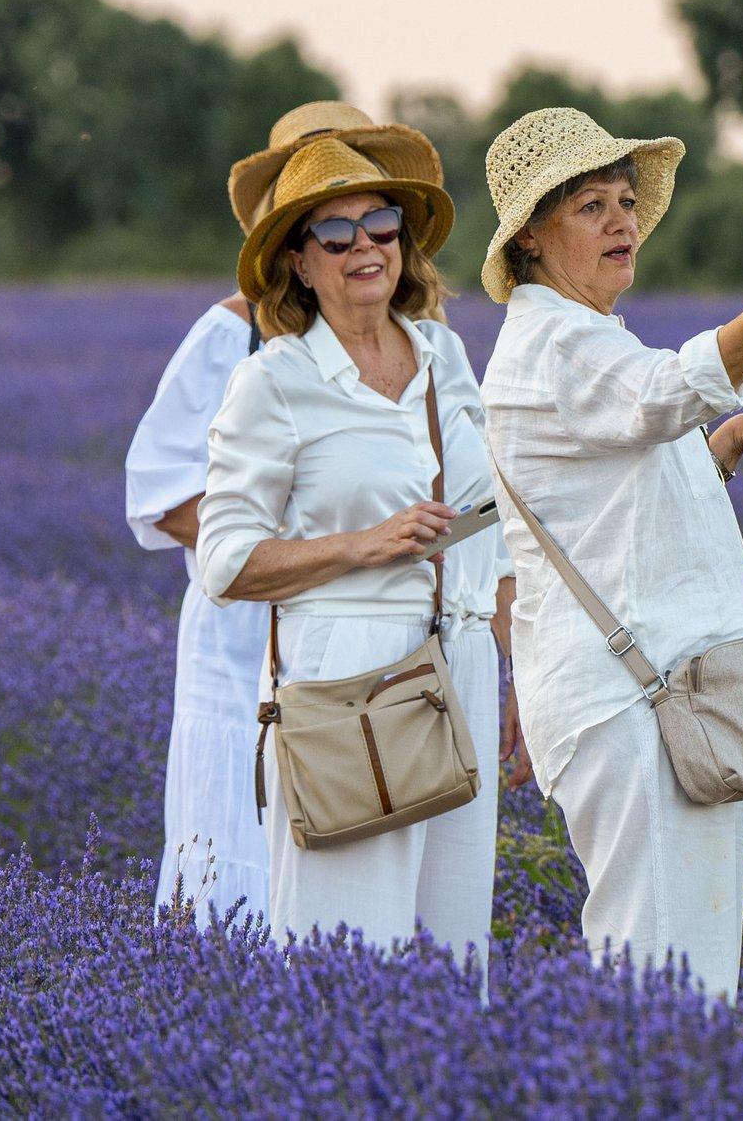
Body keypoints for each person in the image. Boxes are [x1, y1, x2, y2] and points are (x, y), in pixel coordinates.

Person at [477, 107, 743, 1001]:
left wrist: (724, 440)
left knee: (679, 979)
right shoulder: (553, 345)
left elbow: (617, 494)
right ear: (532, 240)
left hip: (668, 701)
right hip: (634, 709)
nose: (621, 221)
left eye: (624, 200)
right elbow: (665, 392)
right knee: (662, 989)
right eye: (589, 206)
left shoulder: (584, 339)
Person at [195, 131, 521, 976]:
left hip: (463, 658)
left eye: (379, 225)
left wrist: (516, 665)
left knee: (456, 956)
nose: (364, 247)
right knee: (342, 956)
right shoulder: (275, 381)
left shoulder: (444, 355)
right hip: (347, 670)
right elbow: (224, 562)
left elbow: (491, 520)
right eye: (333, 235)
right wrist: (359, 545)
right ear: (299, 264)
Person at [126, 101, 454, 921]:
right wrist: (307, 545)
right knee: (237, 819)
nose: (358, 237)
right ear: (292, 234)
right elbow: (160, 489)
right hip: (245, 628)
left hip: (364, 625)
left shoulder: (415, 337)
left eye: (372, 214)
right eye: (325, 215)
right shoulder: (230, 336)